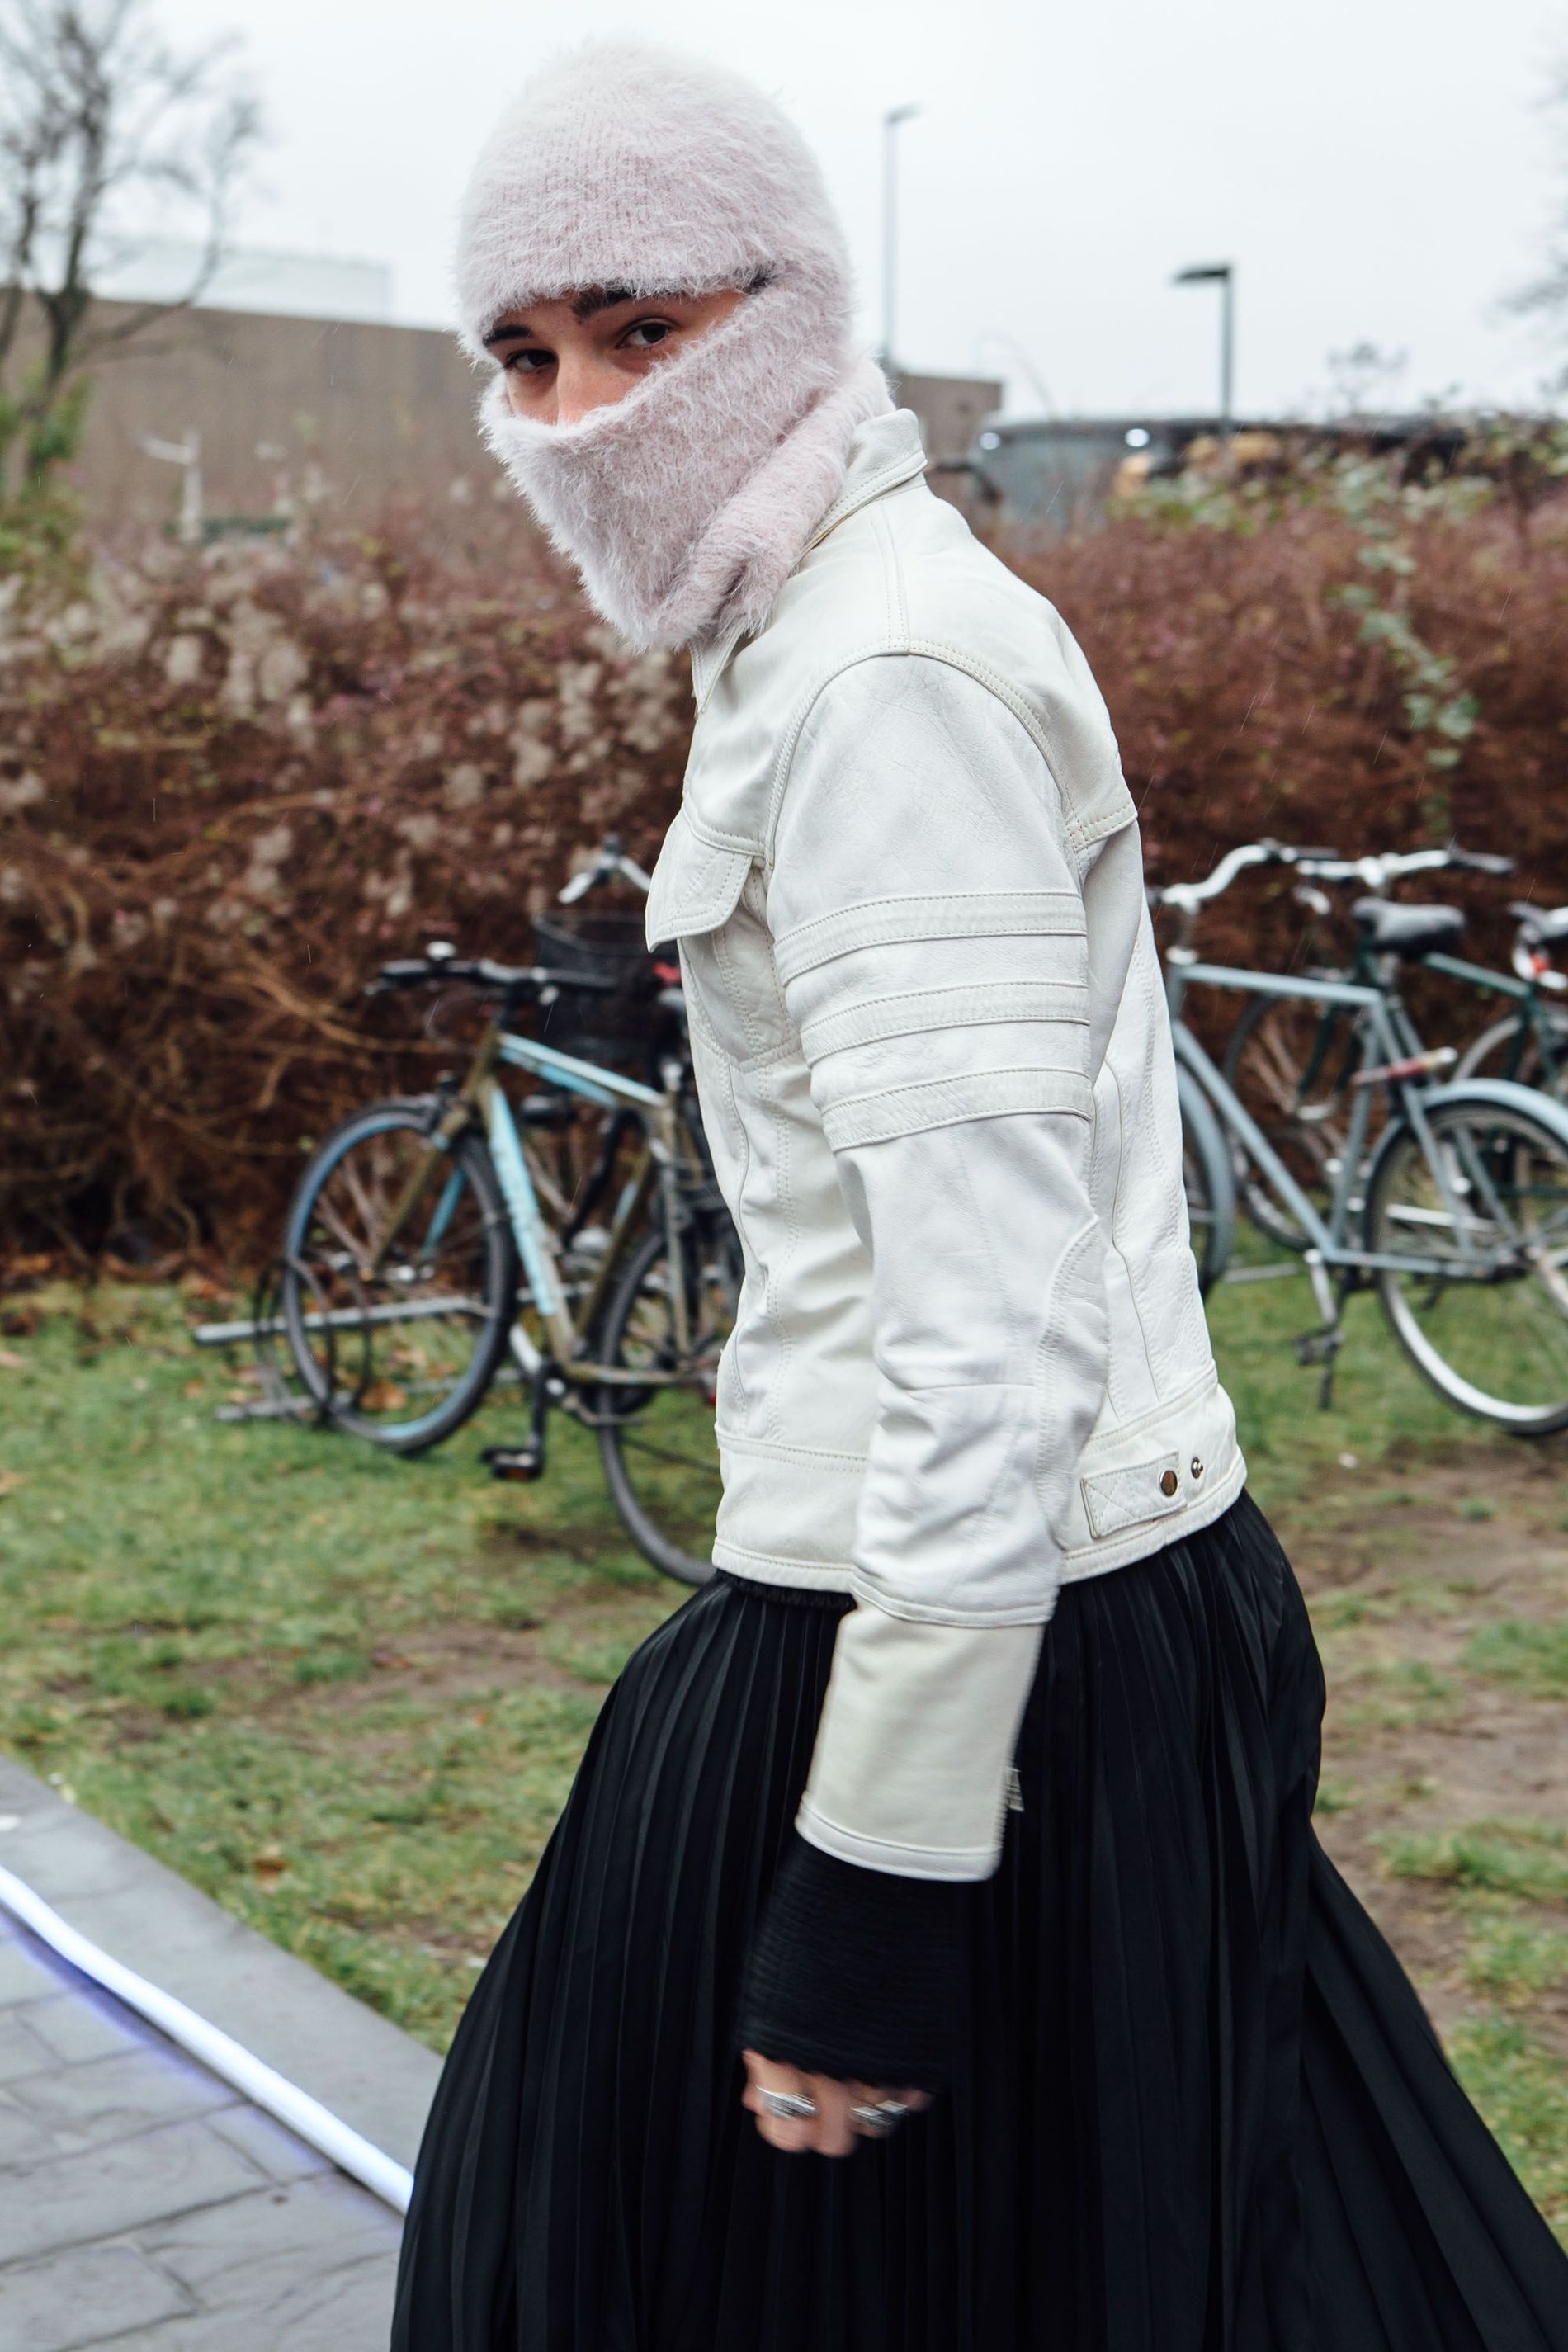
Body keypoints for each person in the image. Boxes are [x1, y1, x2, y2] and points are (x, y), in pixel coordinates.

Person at [392, 40, 1568, 2350]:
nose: (577, 411)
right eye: (524, 357)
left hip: (976, 1635)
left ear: (794, 309)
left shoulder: (876, 669)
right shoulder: (802, 634)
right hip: (1037, 1605)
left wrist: (878, 1862)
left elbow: (986, 1325)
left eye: (643, 330)